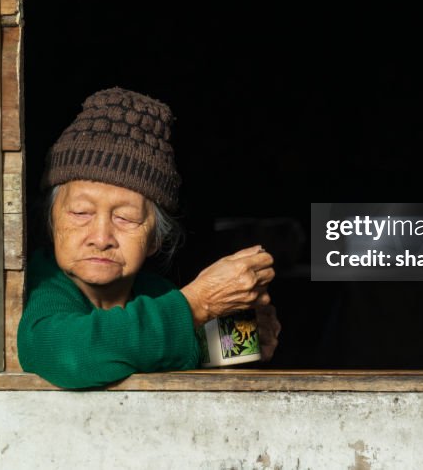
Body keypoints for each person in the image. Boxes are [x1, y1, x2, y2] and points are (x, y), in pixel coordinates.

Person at [17, 87, 282, 389]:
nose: (101, 237)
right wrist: (195, 305)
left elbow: (185, 348)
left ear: (156, 237)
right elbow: (70, 353)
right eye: (80, 213)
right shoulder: (43, 287)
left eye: (125, 218)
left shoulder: (155, 293)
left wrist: (248, 338)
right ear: (51, 223)